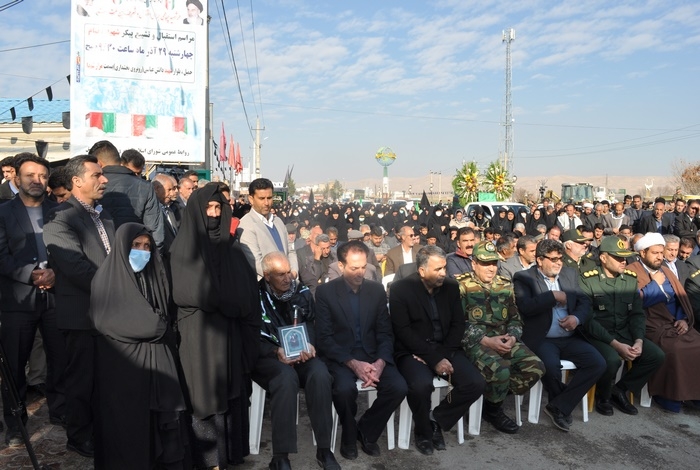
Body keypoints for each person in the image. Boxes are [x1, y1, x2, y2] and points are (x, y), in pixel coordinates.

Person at [169, 183, 260, 467]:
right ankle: (208, 459)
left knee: (229, 391)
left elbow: (246, 297)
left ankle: (229, 454)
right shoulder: (182, 249)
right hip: (197, 336)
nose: (214, 213)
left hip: (229, 336)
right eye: (208, 207)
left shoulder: (233, 251)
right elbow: (189, 293)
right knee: (203, 394)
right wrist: (224, 299)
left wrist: (223, 300)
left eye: (218, 207)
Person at [90, 223, 190, 469]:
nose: (142, 252)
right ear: (123, 247)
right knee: (128, 430)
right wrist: (155, 326)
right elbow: (115, 320)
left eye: (147, 246)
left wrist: (156, 325)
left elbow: (162, 316)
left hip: (155, 365)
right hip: (124, 370)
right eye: (136, 245)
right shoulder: (106, 278)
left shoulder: (152, 275)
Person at [43, 154, 115, 458]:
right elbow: (75, 267)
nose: (104, 179)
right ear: (76, 181)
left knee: (104, 379)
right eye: (97, 175)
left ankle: (101, 429)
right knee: (81, 380)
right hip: (81, 314)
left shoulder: (103, 215)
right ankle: (79, 435)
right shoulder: (60, 217)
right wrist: (117, 287)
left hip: (109, 312)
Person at [315, 241, 407, 460]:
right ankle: (348, 434)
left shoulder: (375, 290)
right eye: (354, 268)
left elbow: (385, 331)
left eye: (364, 267)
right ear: (340, 265)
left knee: (398, 387)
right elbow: (324, 338)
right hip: (341, 356)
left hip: (372, 353)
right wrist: (353, 363)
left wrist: (381, 362)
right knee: (344, 390)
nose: (360, 272)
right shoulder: (326, 292)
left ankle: (366, 430)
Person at [390, 246, 485, 455]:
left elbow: (458, 324)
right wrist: (432, 358)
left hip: (446, 348)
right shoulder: (401, 289)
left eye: (444, 268)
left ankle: (435, 420)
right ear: (422, 271)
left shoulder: (451, 287)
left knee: (475, 383)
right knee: (420, 385)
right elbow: (403, 331)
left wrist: (441, 355)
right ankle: (423, 432)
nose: (443, 273)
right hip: (412, 350)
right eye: (438, 269)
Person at [0, 153, 65, 446]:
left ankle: (61, 412)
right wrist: (30, 275)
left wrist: (56, 273)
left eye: (42, 176)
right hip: (18, 301)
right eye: (30, 175)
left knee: (60, 360)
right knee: (15, 366)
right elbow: (1, 256)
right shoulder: (3, 213)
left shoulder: (60, 212)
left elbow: (69, 251)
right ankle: (15, 425)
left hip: (55, 298)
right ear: (17, 178)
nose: (37, 181)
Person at [252, 252, 339, 470]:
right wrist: (275, 350)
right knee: (285, 378)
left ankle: (324, 449)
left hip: (301, 354)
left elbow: (312, 323)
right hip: (268, 357)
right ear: (267, 275)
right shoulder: (254, 296)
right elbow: (249, 336)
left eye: (288, 272)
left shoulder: (301, 292)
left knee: (320, 374)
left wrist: (309, 343)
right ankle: (280, 456)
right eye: (280, 275)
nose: (287, 279)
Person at [513, 239, 605, 431]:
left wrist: (576, 319)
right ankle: (562, 405)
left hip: (569, 336)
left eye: (560, 259)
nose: (558, 263)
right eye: (553, 259)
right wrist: (552, 296)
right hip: (543, 338)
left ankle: (558, 406)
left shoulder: (569, 274)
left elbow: (584, 302)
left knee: (597, 363)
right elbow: (525, 306)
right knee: (550, 366)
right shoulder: (524, 278)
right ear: (540, 260)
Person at [457, 241, 545, 434]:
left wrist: (513, 337)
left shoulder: (504, 285)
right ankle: (494, 410)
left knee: (536, 367)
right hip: (475, 342)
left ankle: (490, 401)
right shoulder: (461, 286)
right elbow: (455, 324)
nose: (491, 268)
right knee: (501, 370)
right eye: (485, 263)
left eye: (494, 263)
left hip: (504, 339)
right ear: (474, 263)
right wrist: (486, 340)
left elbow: (515, 318)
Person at [580, 236, 665, 416]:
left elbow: (637, 314)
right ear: (603, 258)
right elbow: (588, 321)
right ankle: (603, 397)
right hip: (598, 334)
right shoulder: (588, 280)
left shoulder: (629, 279)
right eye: (618, 257)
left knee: (655, 355)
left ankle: (619, 390)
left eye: (625, 257)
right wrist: (616, 344)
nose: (623, 261)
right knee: (612, 360)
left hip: (623, 332)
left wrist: (639, 340)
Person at [626, 232, 700, 412]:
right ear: (642, 253)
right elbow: (633, 303)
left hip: (675, 323)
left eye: (661, 252)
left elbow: (681, 299)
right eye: (655, 253)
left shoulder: (666, 271)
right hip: (651, 325)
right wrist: (654, 285)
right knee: (676, 349)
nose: (660, 257)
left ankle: (695, 395)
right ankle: (669, 397)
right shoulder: (631, 271)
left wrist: (683, 319)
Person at [88, 140, 164, 253]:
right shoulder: (145, 187)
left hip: (99, 257)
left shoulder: (90, 186)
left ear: (98, 164)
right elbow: (156, 232)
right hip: (134, 255)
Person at [239, 178, 298, 278]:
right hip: (265, 284)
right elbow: (256, 262)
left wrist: (293, 273)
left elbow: (290, 250)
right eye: (261, 198)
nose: (266, 203)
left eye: (269, 198)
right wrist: (282, 278)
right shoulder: (246, 225)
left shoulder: (278, 221)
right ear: (251, 199)